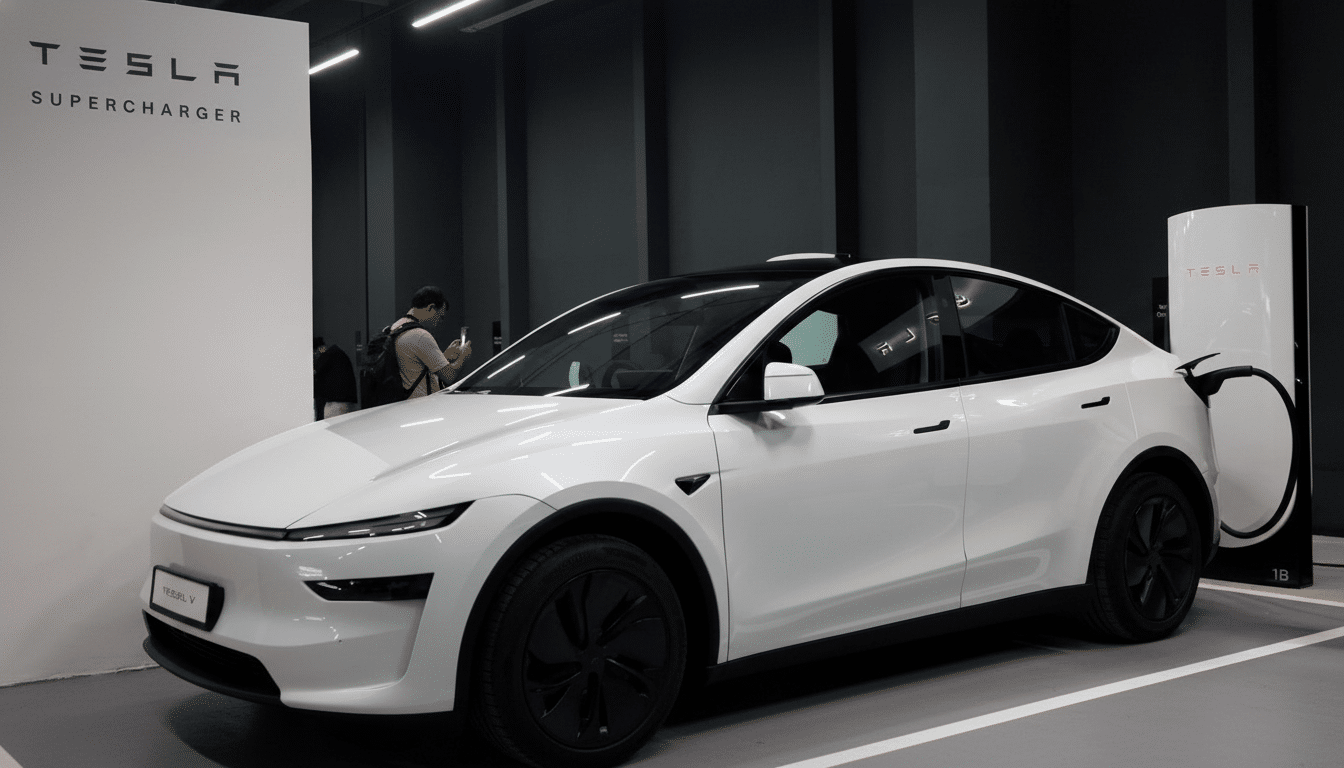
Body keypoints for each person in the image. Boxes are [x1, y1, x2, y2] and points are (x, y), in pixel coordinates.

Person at [391, 286, 472, 398]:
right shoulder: (420, 335)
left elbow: (414, 367)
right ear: (431, 307)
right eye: (440, 316)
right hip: (419, 406)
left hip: (402, 402)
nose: (439, 322)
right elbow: (448, 376)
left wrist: (445, 357)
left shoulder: (395, 328)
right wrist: (463, 356)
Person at [313, 337, 358, 419]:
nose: (315, 357)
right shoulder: (337, 354)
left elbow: (314, 374)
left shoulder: (327, 355)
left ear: (318, 349)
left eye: (314, 353)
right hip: (345, 402)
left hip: (336, 404)